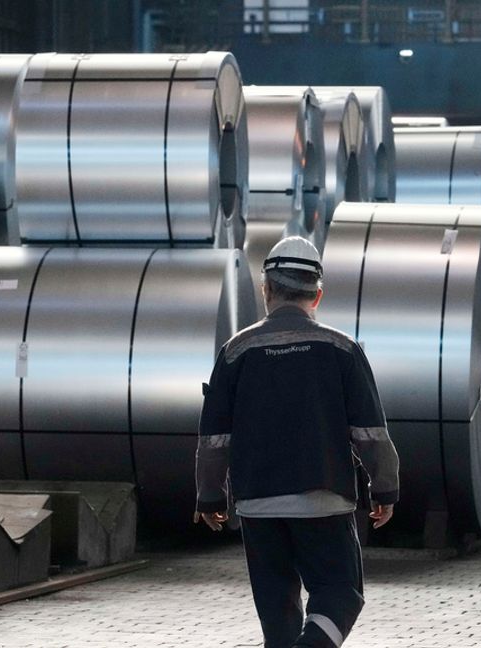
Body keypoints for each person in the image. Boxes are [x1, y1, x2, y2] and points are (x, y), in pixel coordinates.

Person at [194, 235, 400, 648]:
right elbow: (370, 433)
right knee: (340, 593)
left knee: (278, 615)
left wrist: (209, 497)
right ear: (317, 296)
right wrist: (386, 487)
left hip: (257, 504)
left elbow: (214, 438)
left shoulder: (236, 352)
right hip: (323, 497)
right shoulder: (342, 349)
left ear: (266, 290)